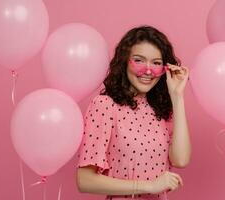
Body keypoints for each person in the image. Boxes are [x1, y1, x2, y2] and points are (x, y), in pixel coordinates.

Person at [76, 25, 191, 200]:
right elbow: (85, 180)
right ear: (124, 62)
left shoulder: (161, 110)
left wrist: (177, 97)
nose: (148, 70)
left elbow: (181, 160)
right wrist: (149, 185)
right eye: (138, 60)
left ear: (164, 69)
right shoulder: (105, 105)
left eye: (156, 63)